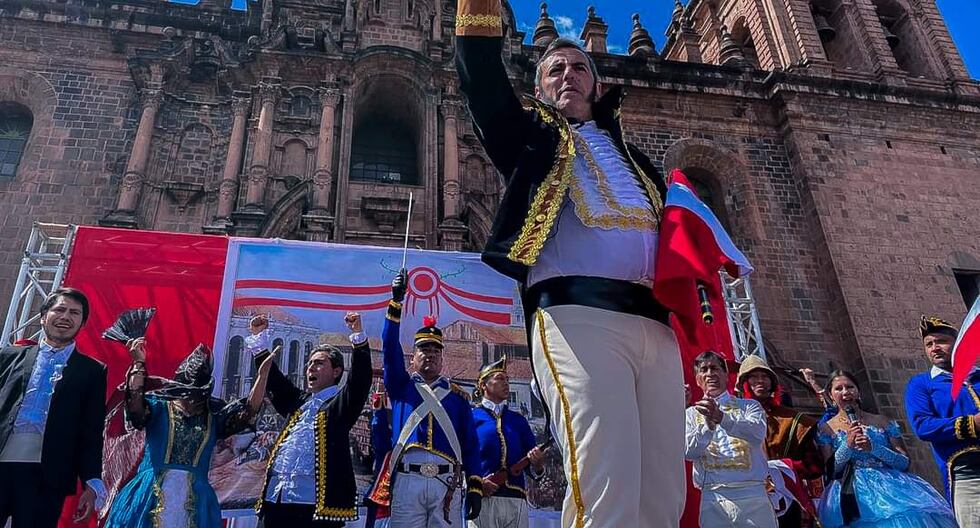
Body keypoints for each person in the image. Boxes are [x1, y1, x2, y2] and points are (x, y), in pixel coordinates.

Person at [454, 2, 683, 526]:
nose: (568, 74)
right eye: (555, 68)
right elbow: (480, 75)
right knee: (604, 477)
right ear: (539, 90)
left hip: (657, 325)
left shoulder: (635, 158)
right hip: (577, 317)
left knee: (664, 489)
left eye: (580, 67)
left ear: (598, 87)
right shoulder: (528, 140)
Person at [103, 338, 270, 528]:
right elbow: (134, 407)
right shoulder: (158, 409)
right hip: (149, 494)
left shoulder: (213, 417)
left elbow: (247, 413)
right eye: (188, 393)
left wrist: (262, 377)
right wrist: (138, 364)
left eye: (197, 394)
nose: (192, 399)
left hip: (196, 500)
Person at [251, 312, 373, 527]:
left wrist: (358, 337)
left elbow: (360, 381)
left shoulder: (340, 405)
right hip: (275, 500)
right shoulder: (298, 401)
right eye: (309, 364)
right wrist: (260, 340)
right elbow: (274, 381)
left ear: (336, 371)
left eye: (318, 364)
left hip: (312, 507)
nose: (310, 369)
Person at [381, 272, 482, 527]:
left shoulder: (458, 397)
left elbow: (470, 443)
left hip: (446, 484)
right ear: (412, 358)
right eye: (423, 349)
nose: (430, 354)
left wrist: (474, 485)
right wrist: (395, 303)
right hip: (408, 480)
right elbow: (389, 349)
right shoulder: (401, 386)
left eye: (436, 350)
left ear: (442, 358)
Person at [0, 287, 107, 528]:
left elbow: (90, 431)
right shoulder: (9, 356)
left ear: (82, 323)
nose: (66, 317)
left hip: (48, 473)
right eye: (60, 309)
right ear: (43, 316)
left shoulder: (91, 371)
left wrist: (91, 480)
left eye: (74, 313)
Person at [816, 369, 956, 528]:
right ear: (830, 395)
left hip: (893, 489)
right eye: (838, 388)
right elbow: (830, 469)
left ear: (858, 391)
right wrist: (847, 445)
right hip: (851, 492)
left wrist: (873, 448)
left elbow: (903, 462)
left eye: (850, 387)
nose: (845, 392)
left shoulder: (882, 421)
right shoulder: (826, 429)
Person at [685, 351, 777, 528]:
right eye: (704, 370)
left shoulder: (749, 406)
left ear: (726, 375)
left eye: (715, 368)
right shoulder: (690, 414)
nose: (710, 374)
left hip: (752, 494)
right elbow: (688, 452)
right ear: (697, 379)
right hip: (713, 497)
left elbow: (757, 433)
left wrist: (721, 417)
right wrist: (708, 427)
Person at [904, 315, 980, 527]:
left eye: (941, 341)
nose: (934, 348)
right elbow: (923, 426)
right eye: (929, 344)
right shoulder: (922, 384)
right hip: (968, 477)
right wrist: (972, 423)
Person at [737, 354, 822, 526]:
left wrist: (785, 468)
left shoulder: (794, 420)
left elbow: (814, 467)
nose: (760, 380)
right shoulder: (733, 418)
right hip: (748, 497)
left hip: (787, 498)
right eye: (754, 376)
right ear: (745, 383)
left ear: (772, 383)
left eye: (765, 376)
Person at [469, 356, 547, 528]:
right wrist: (477, 484)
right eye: (500, 379)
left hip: (516, 499)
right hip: (483, 499)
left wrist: (538, 464)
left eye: (507, 379)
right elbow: (461, 458)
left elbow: (532, 465)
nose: (506, 384)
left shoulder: (518, 421)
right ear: (483, 385)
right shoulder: (470, 418)